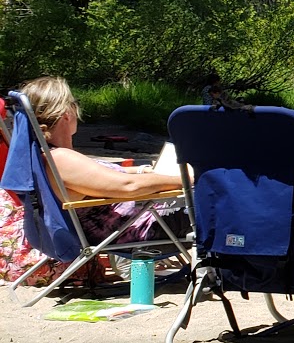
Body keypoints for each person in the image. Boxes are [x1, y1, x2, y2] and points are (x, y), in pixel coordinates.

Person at [0, 77, 187, 284]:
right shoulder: (60, 159)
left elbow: (108, 178)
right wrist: (185, 180)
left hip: (137, 224)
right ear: (66, 113)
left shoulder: (48, 156)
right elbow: (128, 187)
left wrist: (143, 171)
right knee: (213, 199)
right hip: (143, 232)